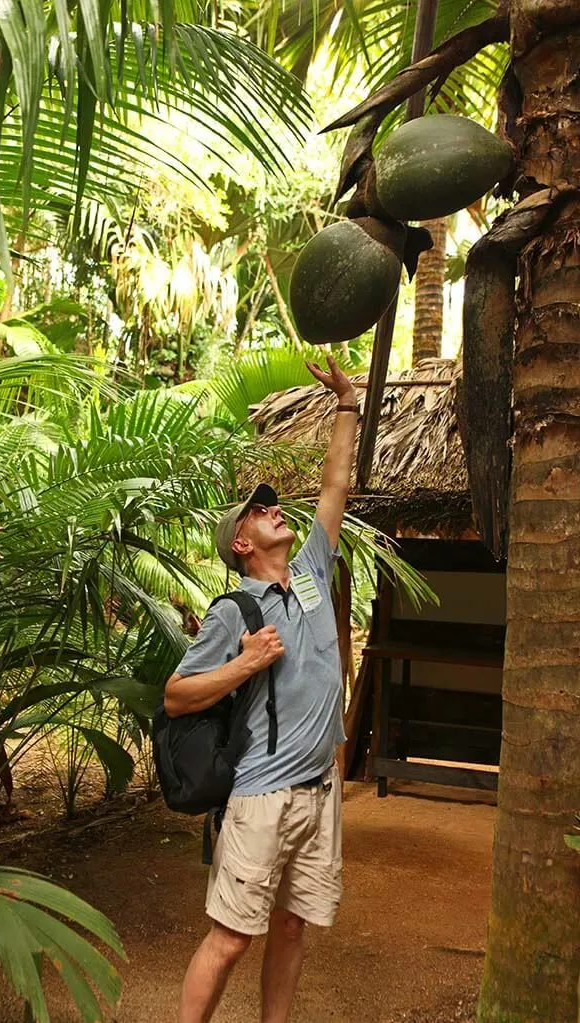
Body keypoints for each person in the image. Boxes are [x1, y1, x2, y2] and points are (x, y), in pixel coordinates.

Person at [164, 356, 358, 1023]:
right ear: (241, 541)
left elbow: (334, 488)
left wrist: (347, 404)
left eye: (273, 505)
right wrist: (244, 665)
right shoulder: (232, 613)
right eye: (260, 511)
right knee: (231, 937)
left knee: (295, 926)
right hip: (262, 795)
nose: (276, 510)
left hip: (319, 789)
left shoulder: (307, 570)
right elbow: (176, 696)